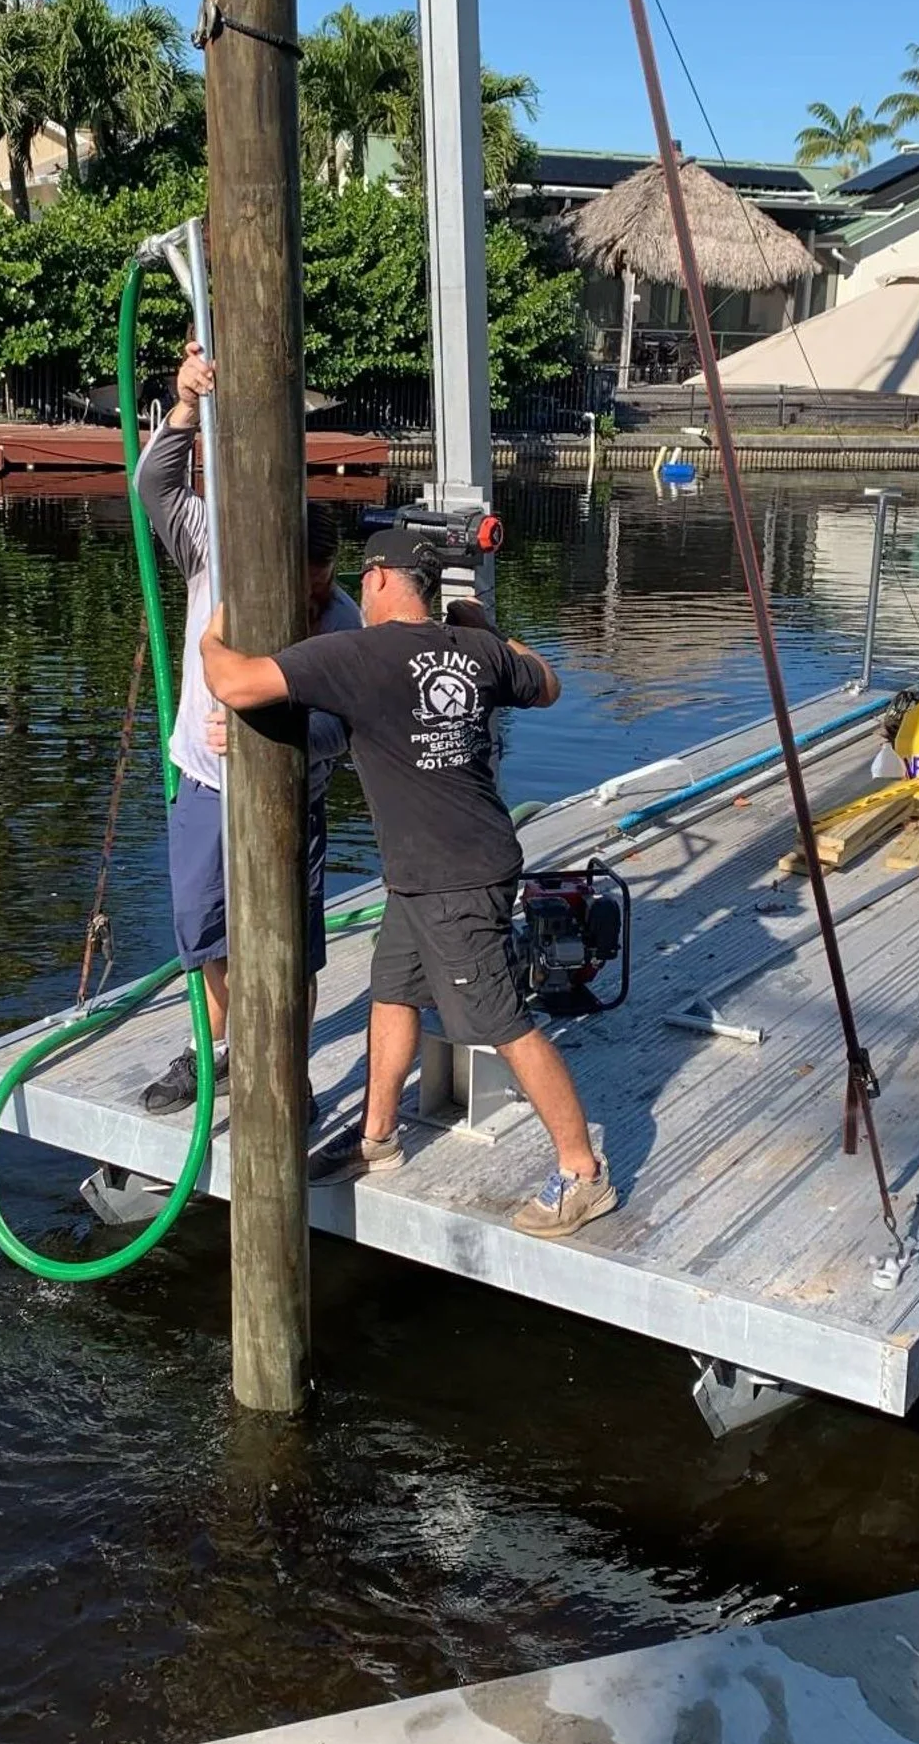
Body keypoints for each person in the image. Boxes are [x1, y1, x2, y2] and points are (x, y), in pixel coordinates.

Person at [200, 526, 617, 1240]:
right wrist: (488, 627)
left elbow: (235, 681)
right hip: (434, 866)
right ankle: (378, 1137)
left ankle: (582, 1173)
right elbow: (547, 684)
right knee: (392, 992)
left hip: (456, 876)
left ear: (381, 581)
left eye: (364, 577)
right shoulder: (477, 650)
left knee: (502, 1022)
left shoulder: (358, 654)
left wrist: (211, 633)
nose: (360, 588)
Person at [134, 341, 360, 1114]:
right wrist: (187, 409)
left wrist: (290, 730)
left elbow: (350, 726)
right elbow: (153, 486)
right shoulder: (215, 547)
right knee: (203, 925)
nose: (318, 599)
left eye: (327, 586)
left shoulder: (344, 618)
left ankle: (287, 1070)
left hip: (295, 796)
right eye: (307, 585)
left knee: (292, 940)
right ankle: (220, 1047)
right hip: (204, 778)